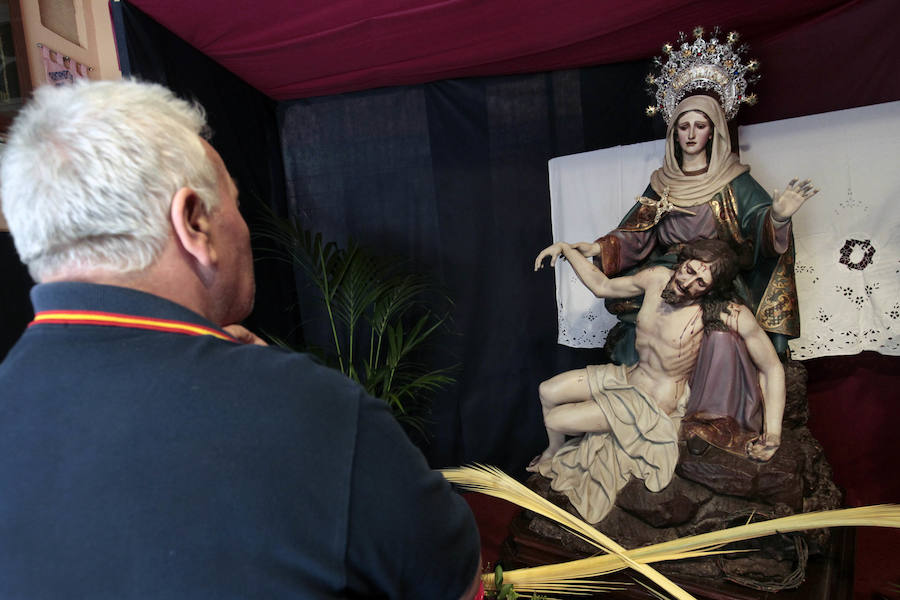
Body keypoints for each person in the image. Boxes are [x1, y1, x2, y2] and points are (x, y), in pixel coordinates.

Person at [0, 80, 481, 599]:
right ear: (194, 224)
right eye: (235, 203)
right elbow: (459, 584)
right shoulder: (316, 413)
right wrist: (289, 395)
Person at [567, 93, 816, 456]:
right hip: (667, 278)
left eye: (700, 126)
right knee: (640, 329)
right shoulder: (663, 182)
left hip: (712, 281)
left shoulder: (735, 181)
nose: (690, 134)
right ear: (673, 133)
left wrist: (777, 217)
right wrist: (597, 248)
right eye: (683, 127)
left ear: (713, 132)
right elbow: (637, 231)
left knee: (721, 339)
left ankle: (707, 415)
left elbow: (756, 231)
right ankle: (640, 410)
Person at [529, 238, 785, 524]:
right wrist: (565, 249)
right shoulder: (656, 279)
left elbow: (771, 367)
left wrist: (772, 433)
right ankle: (552, 452)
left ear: (711, 290)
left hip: (653, 403)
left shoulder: (724, 313)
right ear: (682, 262)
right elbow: (602, 286)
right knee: (547, 391)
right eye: (690, 270)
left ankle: (564, 448)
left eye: (702, 282)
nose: (689, 283)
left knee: (555, 420)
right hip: (628, 376)